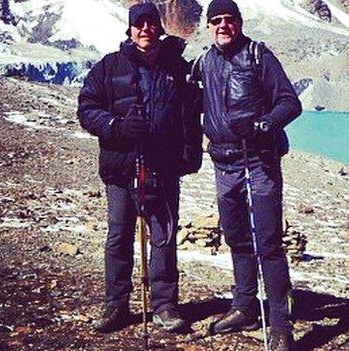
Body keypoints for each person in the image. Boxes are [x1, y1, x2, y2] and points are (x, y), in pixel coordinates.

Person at [77, 2, 202, 334]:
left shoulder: (177, 68)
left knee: (163, 236)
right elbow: (87, 109)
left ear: (159, 29)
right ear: (130, 30)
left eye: (151, 24)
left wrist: (190, 155)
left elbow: (191, 114)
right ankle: (116, 305)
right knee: (119, 237)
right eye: (139, 24)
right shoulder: (108, 67)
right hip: (121, 167)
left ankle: (164, 304)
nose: (145, 29)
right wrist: (116, 126)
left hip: (163, 166)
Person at [191, 0, 302, 349]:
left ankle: (280, 324)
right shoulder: (204, 63)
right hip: (223, 162)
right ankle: (244, 307)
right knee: (236, 237)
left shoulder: (258, 55)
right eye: (216, 20)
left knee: (268, 242)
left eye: (229, 20)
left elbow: (289, 102)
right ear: (209, 25)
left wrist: (264, 124)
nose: (223, 25)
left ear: (239, 23)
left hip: (258, 161)